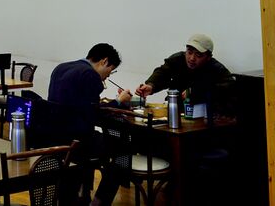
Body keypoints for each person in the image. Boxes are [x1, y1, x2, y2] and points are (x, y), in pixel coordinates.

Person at [48, 43, 132, 206]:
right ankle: (99, 202)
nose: (107, 76)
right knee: (122, 150)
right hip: (77, 140)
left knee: (100, 142)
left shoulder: (61, 68)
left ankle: (83, 193)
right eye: (110, 70)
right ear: (104, 61)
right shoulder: (90, 75)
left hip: (53, 137)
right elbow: (94, 115)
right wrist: (118, 102)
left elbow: (78, 105)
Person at [135, 33, 235, 112]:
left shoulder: (216, 68)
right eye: (189, 52)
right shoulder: (177, 60)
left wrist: (197, 92)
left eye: (198, 55)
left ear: (208, 57)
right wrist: (151, 86)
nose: (192, 58)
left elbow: (230, 87)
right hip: (175, 110)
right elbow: (163, 73)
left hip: (203, 115)